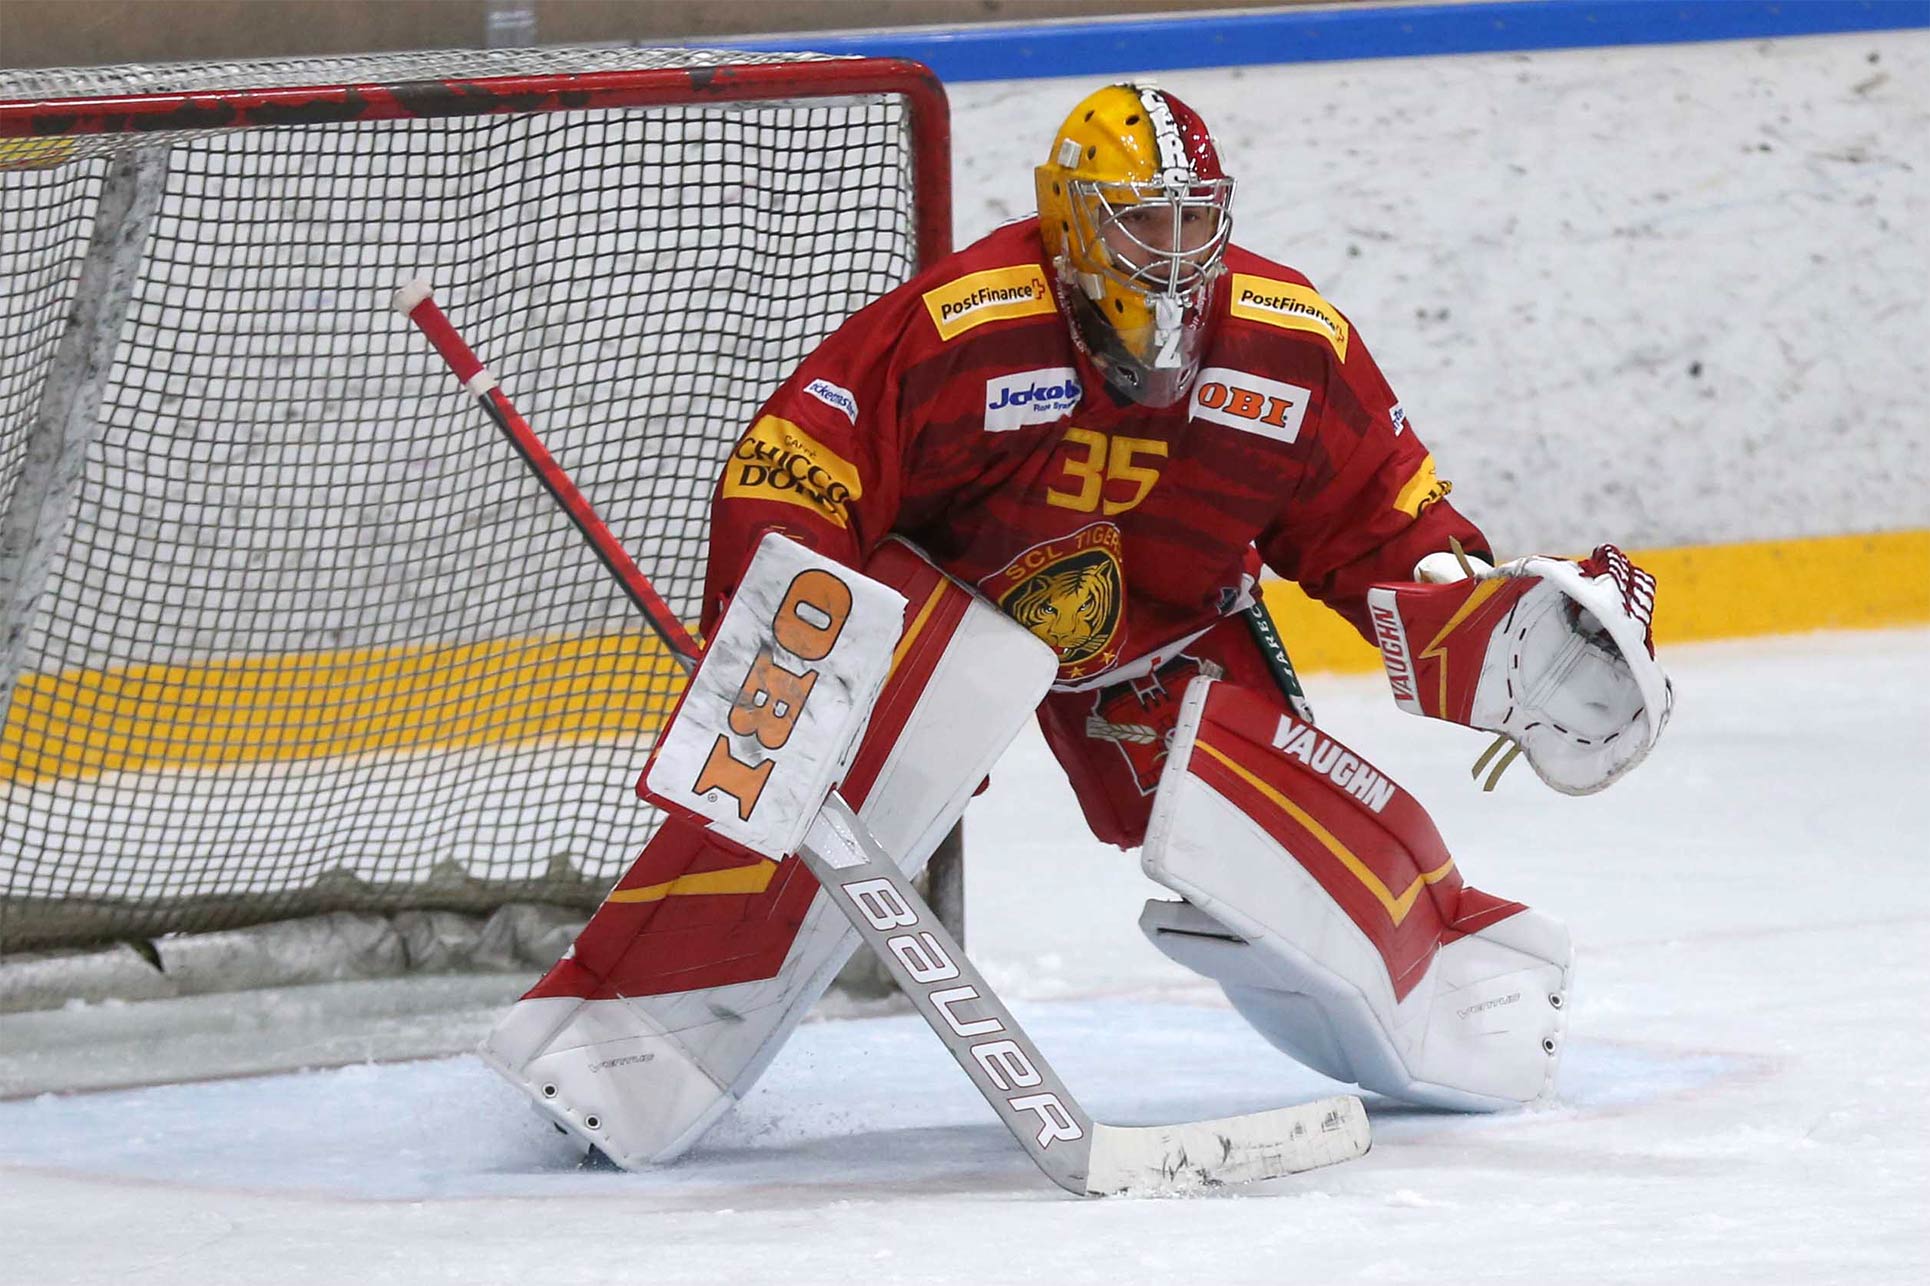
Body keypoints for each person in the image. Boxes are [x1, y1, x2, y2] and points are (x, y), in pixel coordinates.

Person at [479, 83, 1671, 1168]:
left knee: (1256, 820)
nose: (1171, 249)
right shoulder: (971, 321)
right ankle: (622, 1038)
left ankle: (1456, 986)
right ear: (1069, 216)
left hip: (1161, 631)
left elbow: (1374, 512)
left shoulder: (1288, 340)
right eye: (1139, 219)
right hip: (950, 616)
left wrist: (1478, 605)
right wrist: (789, 649)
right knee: (819, 763)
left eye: (1191, 217)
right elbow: (803, 458)